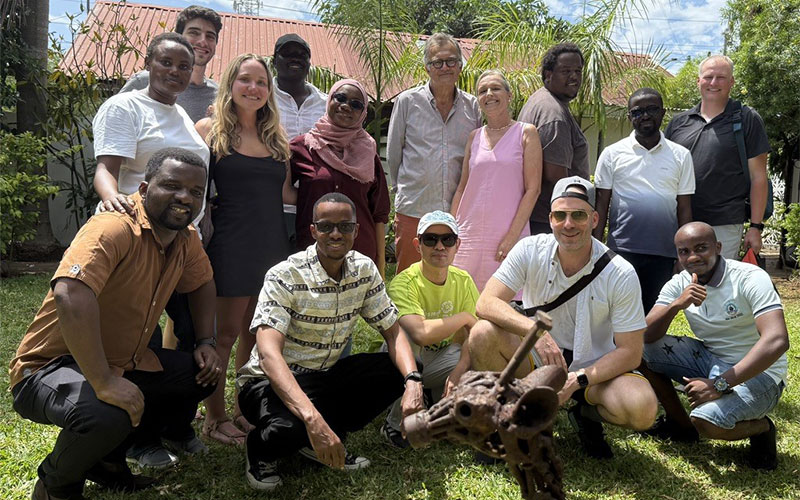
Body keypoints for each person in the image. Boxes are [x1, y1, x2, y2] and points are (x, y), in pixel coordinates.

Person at [9, 148, 222, 500]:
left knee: (198, 376)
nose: (185, 197)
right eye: (172, 185)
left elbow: (202, 282)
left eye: (195, 191)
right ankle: (55, 484)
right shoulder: (114, 226)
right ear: (143, 188)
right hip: (49, 369)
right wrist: (104, 381)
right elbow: (70, 294)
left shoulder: (185, 239)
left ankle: (106, 461)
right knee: (105, 414)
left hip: (124, 362)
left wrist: (205, 341)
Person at [236, 192, 424, 491]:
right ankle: (260, 449)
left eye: (345, 226)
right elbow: (269, 355)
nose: (335, 234)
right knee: (289, 428)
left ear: (356, 230)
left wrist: (413, 382)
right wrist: (313, 420)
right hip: (267, 381)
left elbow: (394, 331)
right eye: (325, 226)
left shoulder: (363, 269)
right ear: (313, 231)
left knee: (398, 371)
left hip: (324, 376)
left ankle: (318, 436)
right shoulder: (285, 274)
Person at [468, 176, 657, 459]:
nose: (569, 224)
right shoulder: (529, 249)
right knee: (482, 333)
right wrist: (537, 332)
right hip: (538, 360)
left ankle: (585, 415)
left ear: (594, 219)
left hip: (593, 369)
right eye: (561, 215)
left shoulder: (621, 273)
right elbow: (486, 302)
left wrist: (577, 380)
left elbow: (631, 352)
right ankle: (503, 424)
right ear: (551, 218)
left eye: (578, 215)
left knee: (642, 409)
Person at [194, 54, 294, 445]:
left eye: (261, 83)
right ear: (231, 85)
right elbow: (195, 188)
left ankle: (243, 409)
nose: (253, 88)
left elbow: (286, 194)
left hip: (271, 244)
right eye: (245, 80)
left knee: (255, 335)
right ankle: (213, 417)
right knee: (224, 335)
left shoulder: (276, 139)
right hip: (230, 243)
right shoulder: (209, 130)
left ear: (269, 92)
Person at [640, 222, 789, 470]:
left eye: (701, 248)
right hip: (711, 358)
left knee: (707, 422)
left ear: (718, 247)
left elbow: (777, 340)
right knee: (640, 352)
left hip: (761, 374)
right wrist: (676, 305)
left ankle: (763, 428)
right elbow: (643, 335)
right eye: (684, 251)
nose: (693, 257)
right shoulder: (680, 283)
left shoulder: (749, 277)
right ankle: (680, 426)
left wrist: (719, 384)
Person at [381, 210, 480, 448]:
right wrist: (464, 316)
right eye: (430, 239)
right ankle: (394, 424)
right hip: (398, 366)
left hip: (440, 359)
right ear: (418, 245)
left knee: (479, 347)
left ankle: (434, 402)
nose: (439, 246)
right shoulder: (404, 282)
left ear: (457, 244)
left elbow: (475, 333)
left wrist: (458, 372)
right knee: (407, 337)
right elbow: (420, 334)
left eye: (447, 240)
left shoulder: (463, 280)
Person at [593, 88, 695, 313]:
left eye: (652, 109)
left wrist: (684, 255)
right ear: (629, 117)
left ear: (663, 113)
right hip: (621, 250)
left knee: (650, 315)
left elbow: (685, 210)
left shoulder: (681, 156)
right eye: (638, 112)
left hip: (663, 253)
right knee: (617, 313)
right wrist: (594, 249)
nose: (645, 116)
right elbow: (601, 205)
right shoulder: (612, 154)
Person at [92, 32, 210, 225]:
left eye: (183, 67)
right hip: (134, 228)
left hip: (180, 236)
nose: (174, 71)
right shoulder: (125, 106)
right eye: (165, 62)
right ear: (148, 63)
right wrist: (112, 200)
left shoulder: (181, 115)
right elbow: (106, 169)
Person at [387, 32, 482, 272]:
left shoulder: (473, 108)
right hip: (414, 209)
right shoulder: (407, 102)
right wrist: (406, 188)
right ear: (427, 68)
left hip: (457, 213)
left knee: (451, 280)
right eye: (437, 62)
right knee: (408, 279)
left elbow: (477, 158)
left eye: (451, 61)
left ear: (460, 66)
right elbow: (394, 154)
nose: (444, 67)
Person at [664, 55, 770, 259]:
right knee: (680, 286)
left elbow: (758, 177)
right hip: (678, 222)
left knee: (718, 287)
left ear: (732, 82)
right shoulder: (678, 123)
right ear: (698, 82)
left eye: (721, 77)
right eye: (708, 77)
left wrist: (756, 227)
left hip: (724, 224)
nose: (713, 83)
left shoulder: (747, 119)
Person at [451, 70, 542, 290]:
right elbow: (462, 188)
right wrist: (451, 230)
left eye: (495, 88)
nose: (489, 94)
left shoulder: (526, 133)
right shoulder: (474, 136)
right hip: (468, 234)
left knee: (502, 302)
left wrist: (511, 238)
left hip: (506, 232)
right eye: (482, 91)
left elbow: (533, 189)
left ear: (509, 95)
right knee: (463, 299)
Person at [291, 79, 390, 277]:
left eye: (356, 104)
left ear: (362, 113)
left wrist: (380, 263)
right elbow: (280, 191)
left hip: (360, 253)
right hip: (313, 252)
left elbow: (379, 213)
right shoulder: (302, 147)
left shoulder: (368, 152)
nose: (346, 106)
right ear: (330, 100)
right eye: (341, 98)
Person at [518, 42, 589, 235]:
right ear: (548, 75)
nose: (574, 77)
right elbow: (556, 180)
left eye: (578, 71)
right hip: (550, 222)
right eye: (565, 71)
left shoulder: (541, 101)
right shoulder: (553, 114)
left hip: (537, 219)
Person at [119, 5, 222, 123]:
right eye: (194, 33)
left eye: (210, 36)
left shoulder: (219, 95)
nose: (203, 41)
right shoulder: (144, 81)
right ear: (179, 38)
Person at [273, 33, 329, 246]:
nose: (295, 58)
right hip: (268, 207)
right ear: (274, 60)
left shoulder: (327, 105)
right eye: (287, 53)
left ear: (309, 63)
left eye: (302, 54)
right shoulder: (261, 97)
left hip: (315, 208)